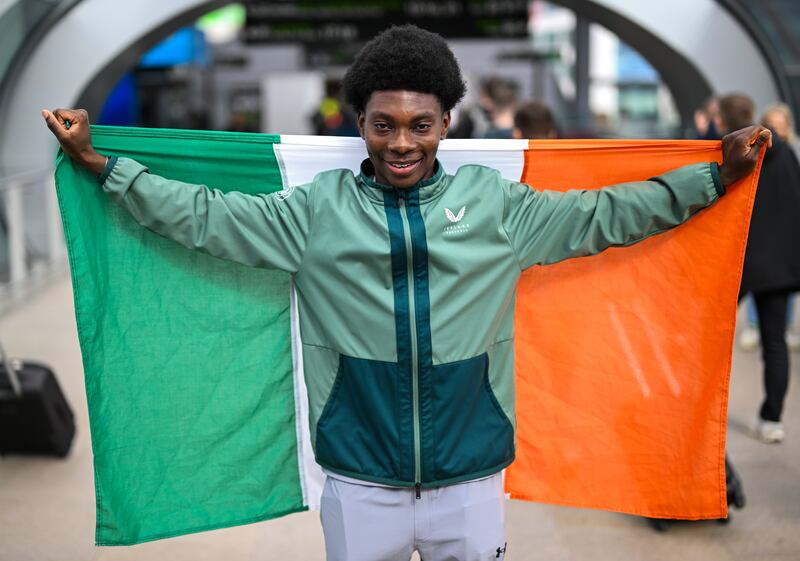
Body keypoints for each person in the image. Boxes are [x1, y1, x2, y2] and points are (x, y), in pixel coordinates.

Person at [44, 25, 768, 561]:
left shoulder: (496, 206)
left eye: (420, 125)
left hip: (472, 479)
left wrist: (711, 178)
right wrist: (106, 166)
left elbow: (606, 214)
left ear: (446, 123)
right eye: (383, 125)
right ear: (358, 123)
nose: (401, 142)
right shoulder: (313, 212)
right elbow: (207, 217)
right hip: (359, 484)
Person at [714, 93, 800, 443]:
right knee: (775, 343)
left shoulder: (736, 153)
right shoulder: (788, 157)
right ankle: (771, 419)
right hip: (779, 265)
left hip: (739, 261)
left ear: (725, 120)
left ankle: (700, 410)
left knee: (712, 338)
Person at [739, 102, 800, 353]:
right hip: (768, 240)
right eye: (773, 123)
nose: (778, 128)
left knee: (772, 288)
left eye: (781, 124)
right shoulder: (758, 158)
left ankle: (782, 327)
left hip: (780, 239)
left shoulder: (790, 155)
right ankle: (756, 326)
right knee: (768, 285)